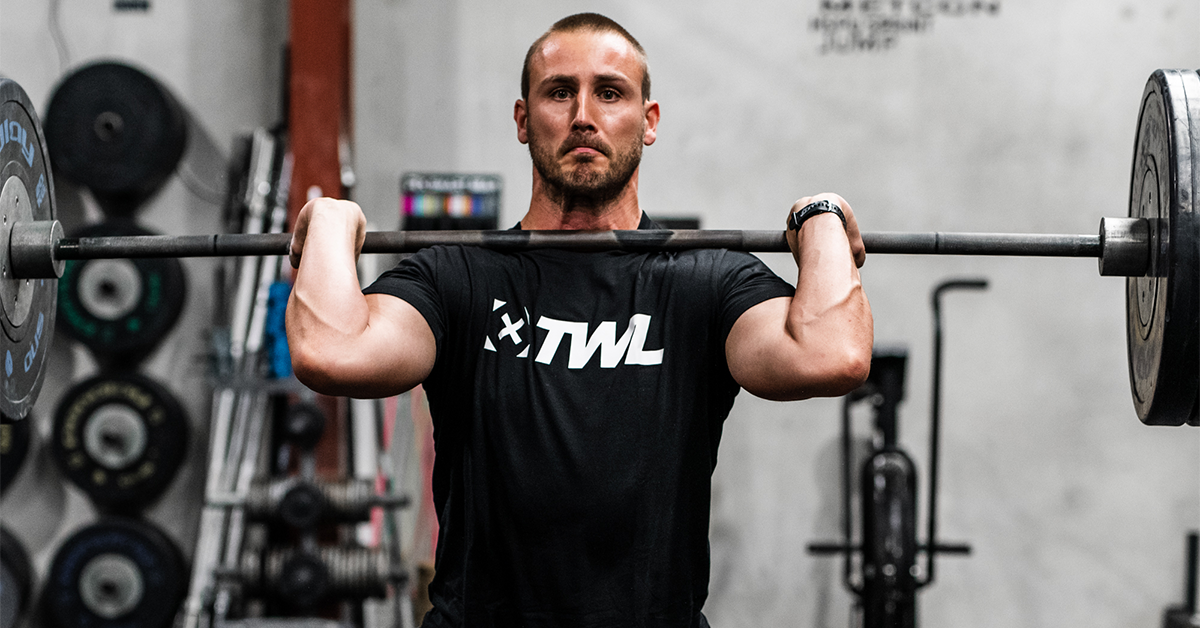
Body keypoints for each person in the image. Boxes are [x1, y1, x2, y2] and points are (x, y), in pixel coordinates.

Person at [286, 12, 872, 628]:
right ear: (523, 119)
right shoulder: (457, 278)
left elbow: (831, 355)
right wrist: (330, 220)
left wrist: (822, 216)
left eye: (610, 92)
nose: (584, 115)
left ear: (648, 123)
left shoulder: (704, 281)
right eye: (560, 91)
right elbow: (331, 352)